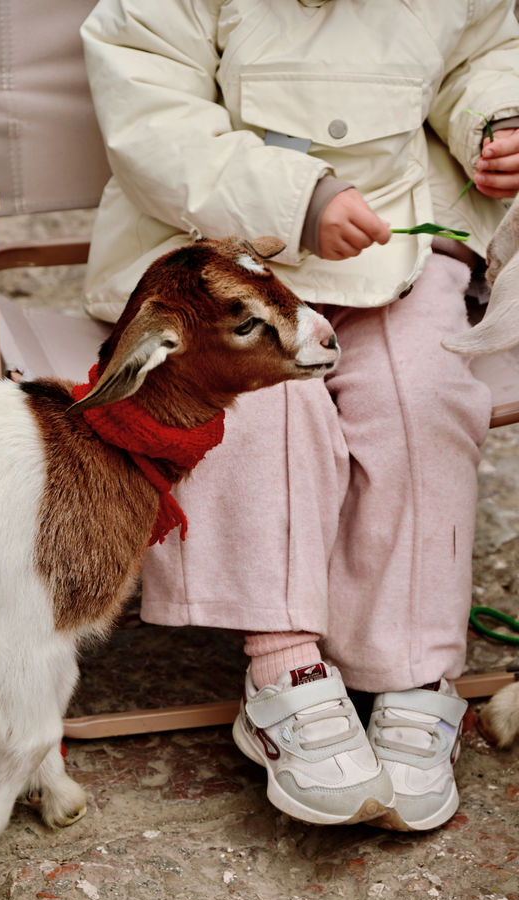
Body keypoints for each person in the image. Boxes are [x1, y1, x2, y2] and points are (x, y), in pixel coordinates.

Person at [79, 0, 519, 830]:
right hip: (218, 245)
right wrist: (296, 197)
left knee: (424, 394)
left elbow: (484, 52)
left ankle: (411, 665)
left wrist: (497, 123)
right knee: (261, 403)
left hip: (399, 236)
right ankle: (280, 661)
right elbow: (155, 116)